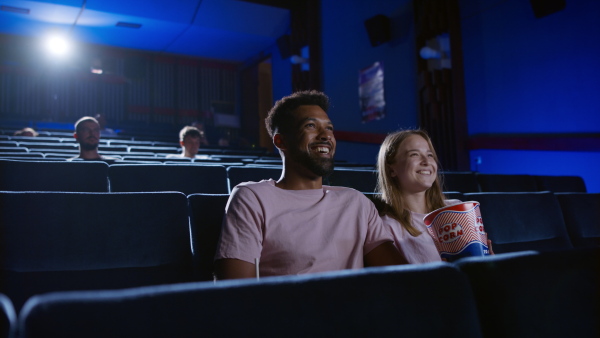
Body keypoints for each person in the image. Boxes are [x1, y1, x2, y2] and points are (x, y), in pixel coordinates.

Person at [214, 90, 407, 280]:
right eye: (311, 126)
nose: (325, 136)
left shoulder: (356, 201)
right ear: (281, 141)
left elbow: (403, 280)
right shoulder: (252, 197)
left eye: (329, 128)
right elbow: (235, 293)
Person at [374, 129, 493, 264]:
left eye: (430, 155)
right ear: (391, 170)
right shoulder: (387, 226)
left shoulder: (456, 208)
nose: (426, 161)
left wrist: (490, 261)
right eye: (414, 154)